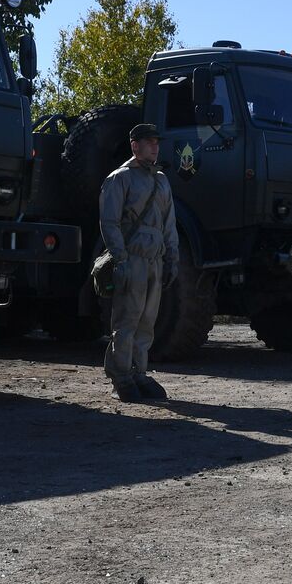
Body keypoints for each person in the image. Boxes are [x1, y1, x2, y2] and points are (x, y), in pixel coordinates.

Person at [99, 123, 179, 402]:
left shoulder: (161, 180)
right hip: (132, 258)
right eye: (149, 142)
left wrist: (172, 258)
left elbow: (169, 224)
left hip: (155, 260)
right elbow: (109, 223)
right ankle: (121, 376)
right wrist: (120, 259)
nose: (155, 147)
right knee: (127, 321)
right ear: (135, 146)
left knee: (146, 322)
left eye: (157, 142)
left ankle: (138, 373)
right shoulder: (120, 178)